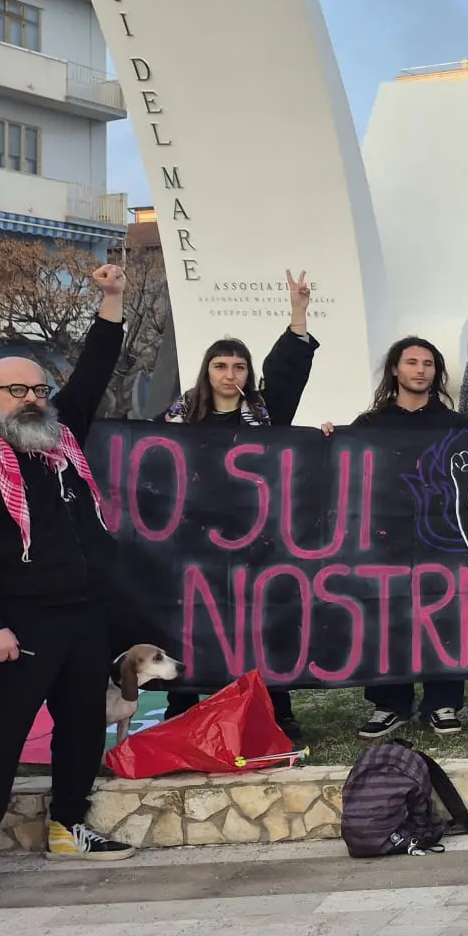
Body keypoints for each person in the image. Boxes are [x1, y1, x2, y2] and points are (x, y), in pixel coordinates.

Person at [0, 264, 136, 911]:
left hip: (84, 615)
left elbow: (94, 373)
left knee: (82, 728)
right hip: (17, 627)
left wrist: (111, 299)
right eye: (15, 389)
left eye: (37, 388)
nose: (30, 397)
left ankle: (68, 823)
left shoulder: (58, 437)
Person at [159, 270, 318, 745]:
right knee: (190, 621)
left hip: (256, 537)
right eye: (221, 366)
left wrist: (298, 313)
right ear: (206, 372)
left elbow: (289, 370)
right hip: (194, 540)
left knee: (260, 622)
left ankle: (275, 708)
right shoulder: (177, 418)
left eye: (239, 367)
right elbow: (142, 460)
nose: (230, 375)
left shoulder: (266, 415)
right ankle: (182, 705)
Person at [328, 337, 468, 739]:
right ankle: (390, 704)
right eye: (411, 362)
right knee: (386, 616)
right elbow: (340, 468)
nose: (420, 370)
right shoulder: (369, 425)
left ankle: (442, 702)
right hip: (384, 539)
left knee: (443, 615)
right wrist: (325, 439)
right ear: (395, 369)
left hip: (442, 536)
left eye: (428, 364)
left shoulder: (457, 425)